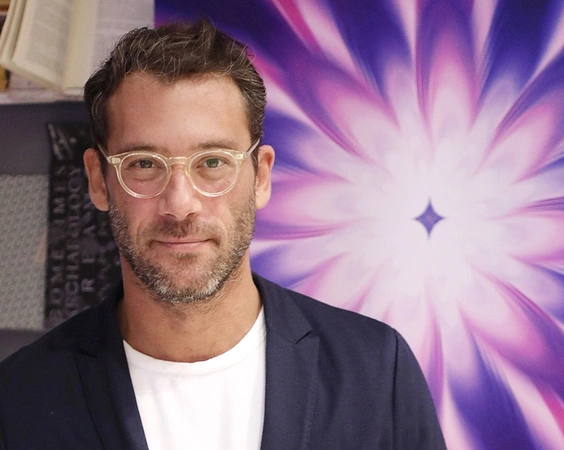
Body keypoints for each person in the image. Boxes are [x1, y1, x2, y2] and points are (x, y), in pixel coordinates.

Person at [0, 20, 446, 449]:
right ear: (99, 180)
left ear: (261, 176)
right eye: (144, 164)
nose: (180, 204)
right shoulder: (20, 400)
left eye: (212, 162)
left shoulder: (376, 373)